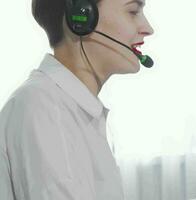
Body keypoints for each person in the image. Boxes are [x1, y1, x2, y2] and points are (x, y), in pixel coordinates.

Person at [0, 0, 154, 199]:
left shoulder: (70, 106)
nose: (148, 29)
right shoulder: (44, 109)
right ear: (81, 16)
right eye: (133, 11)